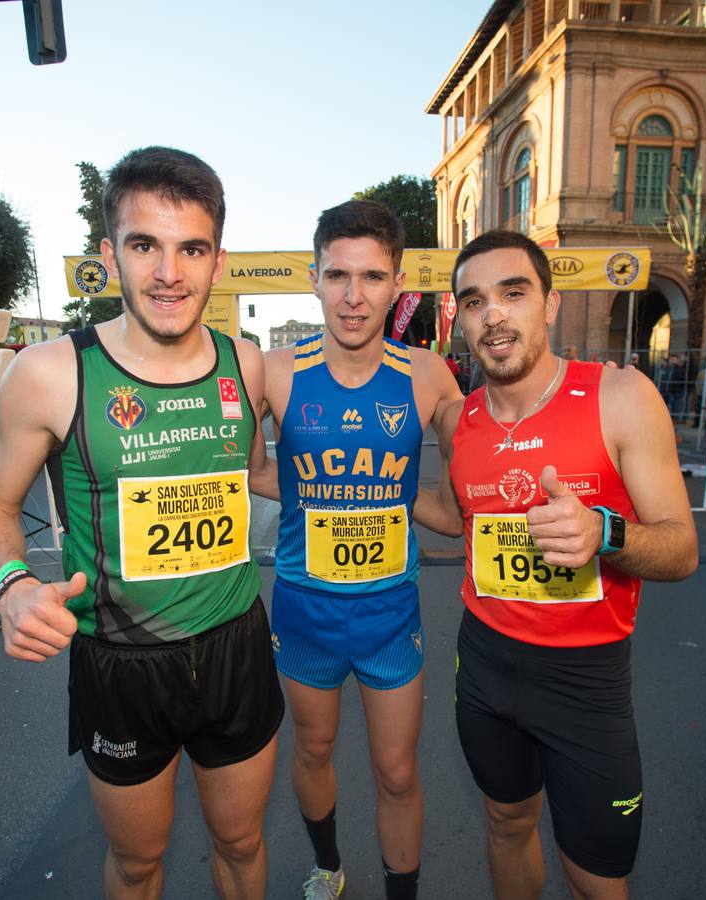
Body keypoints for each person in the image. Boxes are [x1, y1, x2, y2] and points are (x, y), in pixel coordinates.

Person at [0, 147, 281, 899]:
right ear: (110, 255)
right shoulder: (49, 372)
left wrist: (362, 491)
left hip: (236, 645)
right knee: (139, 864)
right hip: (121, 663)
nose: (169, 272)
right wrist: (12, 588)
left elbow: (254, 470)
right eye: (146, 245)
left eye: (191, 248)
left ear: (217, 261)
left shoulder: (248, 363)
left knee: (241, 842)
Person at [417, 231, 697, 900]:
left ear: (551, 304)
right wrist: (383, 492)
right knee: (507, 822)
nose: (495, 316)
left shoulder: (621, 396)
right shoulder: (460, 420)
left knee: (596, 875)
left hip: (585, 681)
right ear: (460, 320)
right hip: (485, 665)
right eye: (475, 301)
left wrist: (604, 532)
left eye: (514, 293)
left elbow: (682, 549)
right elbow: (464, 520)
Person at [258, 200, 464, 900]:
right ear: (313, 278)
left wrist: (387, 495)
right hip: (304, 610)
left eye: (372, 277)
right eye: (338, 275)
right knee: (312, 750)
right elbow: (231, 463)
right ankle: (328, 865)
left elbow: (462, 507)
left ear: (398, 283)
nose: (354, 296)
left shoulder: (430, 376)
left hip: (388, 614)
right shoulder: (275, 371)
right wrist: (311, 490)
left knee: (398, 772)